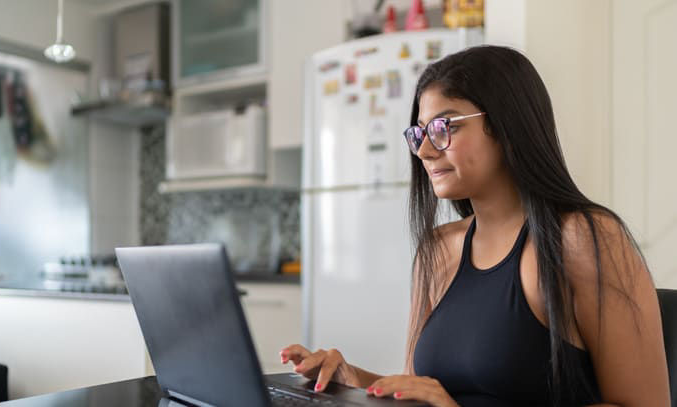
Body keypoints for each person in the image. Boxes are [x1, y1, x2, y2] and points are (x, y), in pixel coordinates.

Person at [280, 45, 670, 406]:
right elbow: (423, 391)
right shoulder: (437, 250)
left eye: (444, 127)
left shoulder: (585, 239)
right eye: (419, 133)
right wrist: (355, 381)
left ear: (506, 125)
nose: (424, 150)